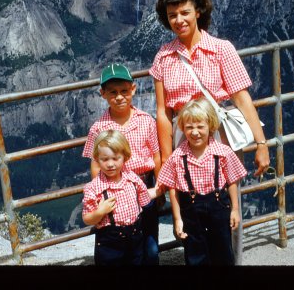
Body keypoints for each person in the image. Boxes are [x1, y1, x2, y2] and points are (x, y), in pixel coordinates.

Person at [149, 0, 270, 172]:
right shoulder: (163, 57)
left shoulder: (221, 49)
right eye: (172, 15)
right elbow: (163, 112)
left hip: (219, 135)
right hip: (184, 138)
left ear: (197, 12)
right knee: (189, 198)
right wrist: (166, 159)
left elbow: (241, 98)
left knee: (224, 197)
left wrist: (261, 144)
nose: (179, 20)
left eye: (185, 13)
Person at [82, 63, 162, 265]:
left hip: (145, 185)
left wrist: (159, 188)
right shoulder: (98, 128)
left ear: (133, 89)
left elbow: (156, 156)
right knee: (118, 243)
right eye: (113, 92)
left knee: (150, 246)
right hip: (114, 189)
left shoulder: (146, 121)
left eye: (124, 91)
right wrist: (100, 193)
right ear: (103, 94)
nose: (119, 97)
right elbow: (94, 164)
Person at [157, 97, 246, 265]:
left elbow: (232, 181)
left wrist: (235, 209)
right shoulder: (177, 157)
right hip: (191, 210)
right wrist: (177, 219)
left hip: (219, 207)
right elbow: (173, 188)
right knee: (195, 253)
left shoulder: (223, 152)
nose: (195, 132)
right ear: (183, 128)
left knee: (223, 251)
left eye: (200, 126)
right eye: (189, 127)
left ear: (211, 126)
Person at [82, 129, 162, 266]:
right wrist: (100, 212)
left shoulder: (133, 179)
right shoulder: (93, 188)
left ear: (125, 157)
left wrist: (159, 190)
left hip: (135, 237)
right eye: (105, 159)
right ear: (97, 159)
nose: (110, 164)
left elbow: (144, 198)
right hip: (109, 244)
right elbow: (87, 218)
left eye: (115, 158)